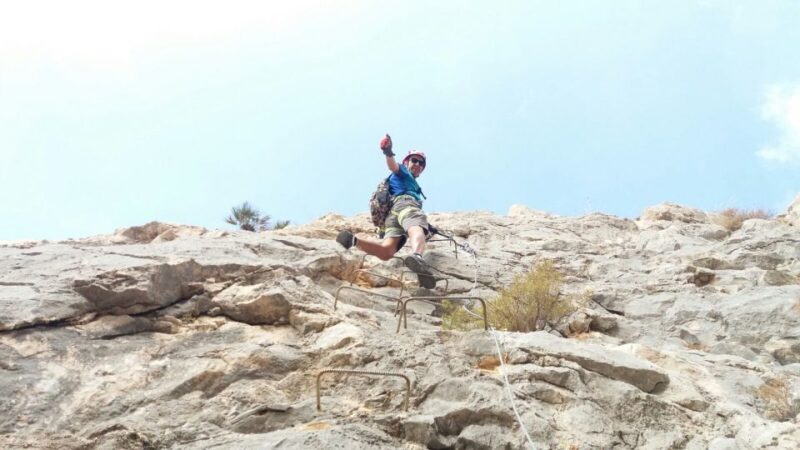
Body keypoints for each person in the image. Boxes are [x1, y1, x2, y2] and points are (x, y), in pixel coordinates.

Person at [336, 134, 436, 288]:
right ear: (406, 162)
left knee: (387, 251)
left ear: (422, 168)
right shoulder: (403, 171)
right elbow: (393, 166)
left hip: (392, 215)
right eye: (414, 160)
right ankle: (417, 256)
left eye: (420, 163)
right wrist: (388, 152)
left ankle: (352, 240)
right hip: (405, 204)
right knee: (417, 229)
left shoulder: (408, 179)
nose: (417, 164)